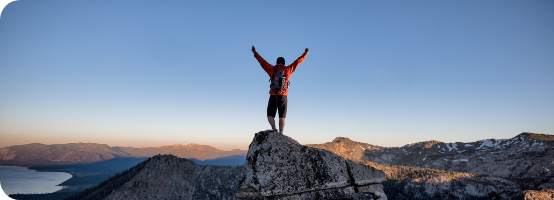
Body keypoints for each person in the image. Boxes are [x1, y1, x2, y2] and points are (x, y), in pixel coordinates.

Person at [252, 46, 309, 134]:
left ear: (277, 62)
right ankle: (281, 132)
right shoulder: (288, 69)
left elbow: (262, 62)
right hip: (283, 95)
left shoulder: (272, 69)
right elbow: (296, 62)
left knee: (270, 114)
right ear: (284, 63)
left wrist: (255, 53)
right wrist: (305, 54)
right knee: (282, 116)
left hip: (273, 94)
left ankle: (274, 128)